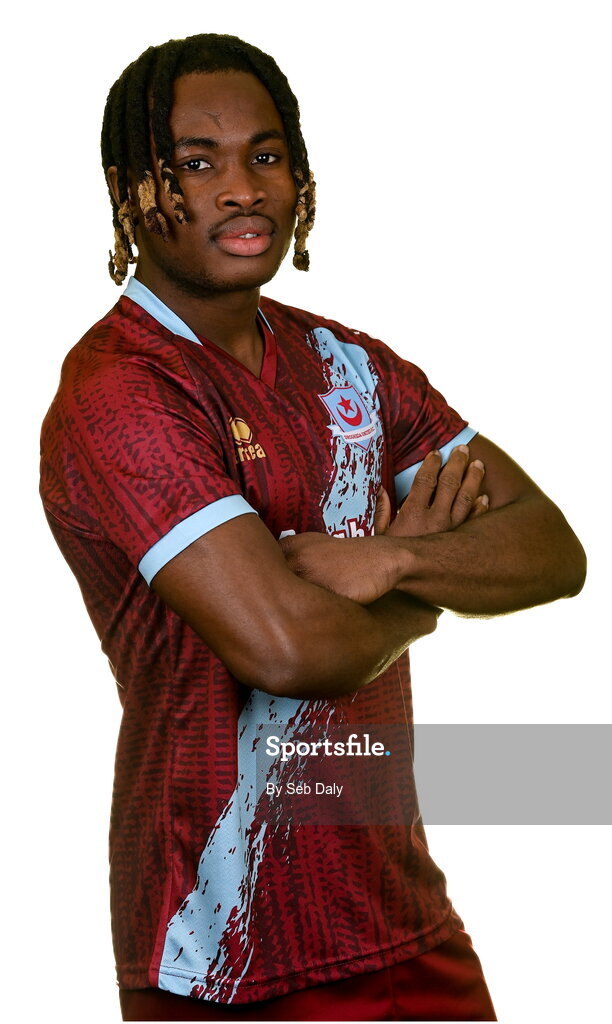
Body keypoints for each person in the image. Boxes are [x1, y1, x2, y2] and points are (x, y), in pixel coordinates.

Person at [39, 32, 586, 1023]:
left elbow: (551, 547)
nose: (241, 187)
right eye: (195, 163)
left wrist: (387, 557)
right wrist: (426, 599)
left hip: (401, 917)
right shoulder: (120, 390)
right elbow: (284, 648)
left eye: (265, 154)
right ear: (130, 191)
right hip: (226, 952)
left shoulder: (353, 366)